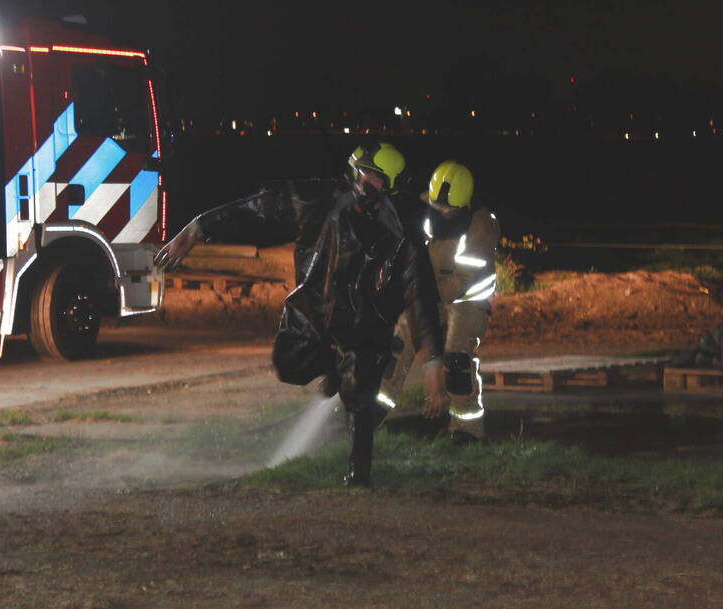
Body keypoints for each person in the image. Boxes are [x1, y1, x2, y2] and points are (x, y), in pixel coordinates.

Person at [155, 141, 449, 485]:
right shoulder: (319, 200)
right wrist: (199, 227)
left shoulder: (402, 234)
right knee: (287, 364)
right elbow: (260, 206)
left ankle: (360, 476)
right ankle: (336, 367)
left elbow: (423, 300)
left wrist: (433, 363)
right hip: (312, 309)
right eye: (366, 174)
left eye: (378, 179)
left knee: (361, 393)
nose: (369, 183)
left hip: (366, 326)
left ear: (392, 186)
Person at [379, 160, 500, 442]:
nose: (444, 213)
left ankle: (466, 428)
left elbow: (464, 279)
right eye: (439, 208)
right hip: (428, 291)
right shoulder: (426, 210)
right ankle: (374, 409)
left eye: (450, 210)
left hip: (466, 300)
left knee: (457, 358)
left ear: (465, 203)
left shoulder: (481, 225)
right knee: (399, 343)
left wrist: (423, 291)